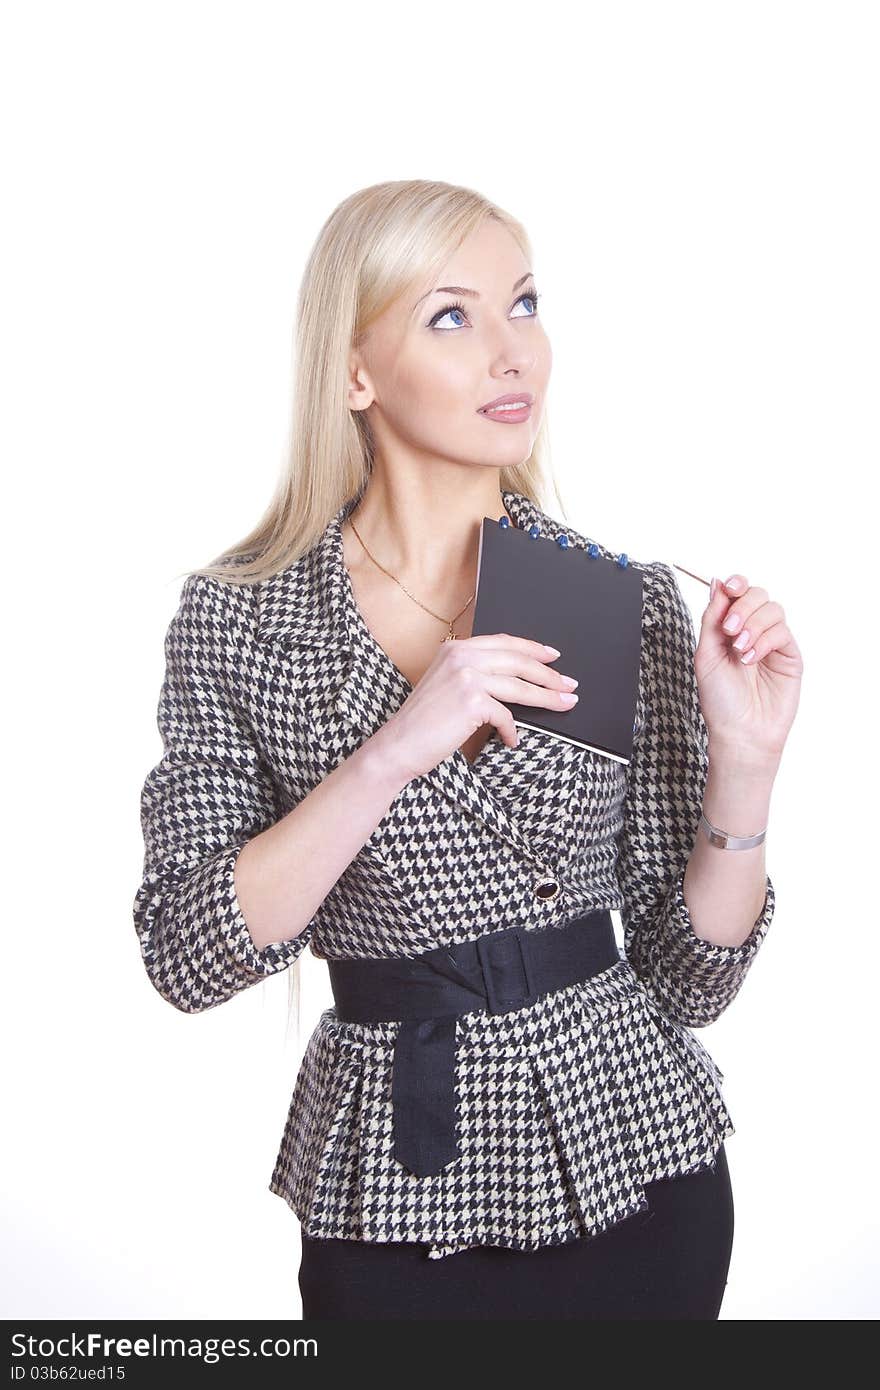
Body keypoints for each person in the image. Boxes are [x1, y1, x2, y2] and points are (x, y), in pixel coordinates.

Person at [133, 179, 803, 1320]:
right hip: (398, 1172)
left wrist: (747, 761)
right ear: (354, 372)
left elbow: (689, 981)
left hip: (632, 1153)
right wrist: (394, 748)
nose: (513, 354)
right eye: (453, 316)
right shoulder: (240, 619)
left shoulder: (609, 598)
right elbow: (187, 954)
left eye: (525, 304)